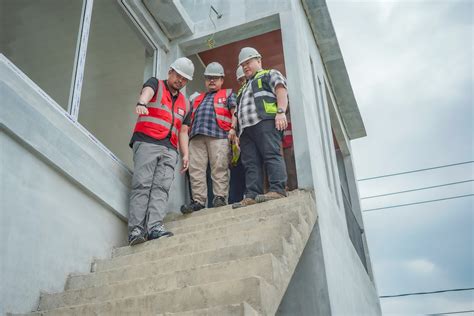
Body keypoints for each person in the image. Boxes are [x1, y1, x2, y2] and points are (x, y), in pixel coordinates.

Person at [128, 57, 194, 246]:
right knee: (142, 184)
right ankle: (136, 229)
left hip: (170, 149)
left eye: (184, 79)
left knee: (162, 188)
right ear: (170, 72)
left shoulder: (186, 104)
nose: (180, 81)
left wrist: (185, 154)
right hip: (147, 142)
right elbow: (147, 92)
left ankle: (154, 226)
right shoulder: (155, 84)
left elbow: (183, 131)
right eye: (178, 76)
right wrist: (141, 102)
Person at [230, 47, 289, 209]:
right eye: (243, 65)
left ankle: (277, 189)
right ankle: (252, 195)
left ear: (258, 60)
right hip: (245, 130)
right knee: (250, 163)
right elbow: (237, 112)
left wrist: (281, 112)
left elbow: (281, 90)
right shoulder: (243, 88)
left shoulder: (270, 73)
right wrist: (233, 129)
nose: (245, 67)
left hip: (265, 121)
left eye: (248, 63)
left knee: (271, 154)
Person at [180, 62, 237, 213]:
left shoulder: (228, 94)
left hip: (219, 135)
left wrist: (233, 129)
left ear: (221, 80)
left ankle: (220, 197)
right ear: (205, 80)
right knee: (195, 169)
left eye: (215, 78)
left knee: (219, 167)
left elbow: (235, 112)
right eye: (208, 78)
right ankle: (198, 201)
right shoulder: (197, 98)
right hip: (196, 136)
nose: (212, 80)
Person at [228, 66, 247, 203]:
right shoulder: (239, 95)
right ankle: (235, 200)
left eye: (243, 79)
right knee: (237, 169)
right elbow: (235, 115)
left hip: (252, 135)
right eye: (240, 80)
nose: (242, 82)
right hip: (238, 139)